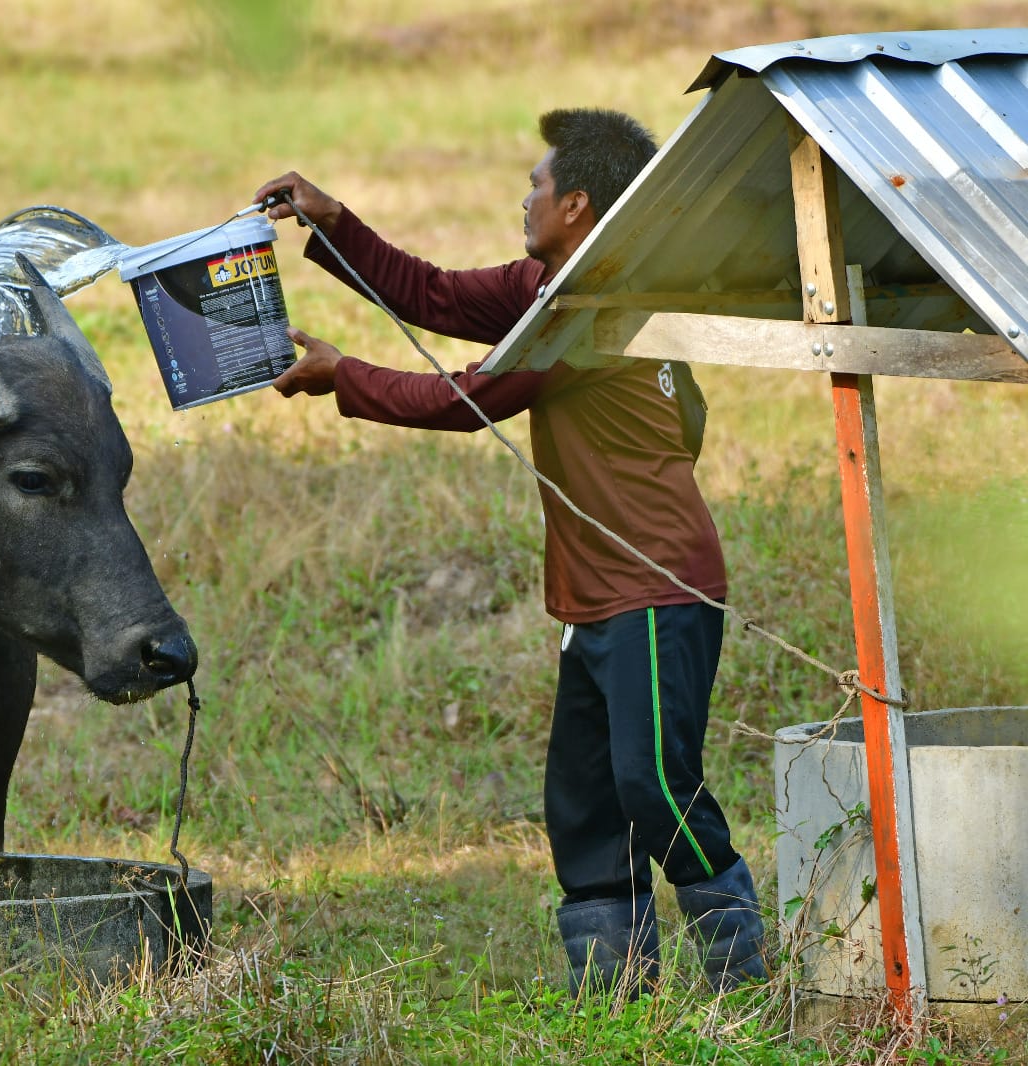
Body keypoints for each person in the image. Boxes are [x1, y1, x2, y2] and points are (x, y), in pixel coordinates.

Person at [252, 108, 767, 997]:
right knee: (584, 805)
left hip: (655, 586)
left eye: (535, 184)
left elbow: (468, 398)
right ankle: (616, 1003)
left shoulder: (590, 308)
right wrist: (333, 222)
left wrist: (345, 377)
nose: (521, 197)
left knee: (654, 787)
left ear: (576, 202)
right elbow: (436, 296)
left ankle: (743, 985)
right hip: (593, 596)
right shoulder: (550, 286)